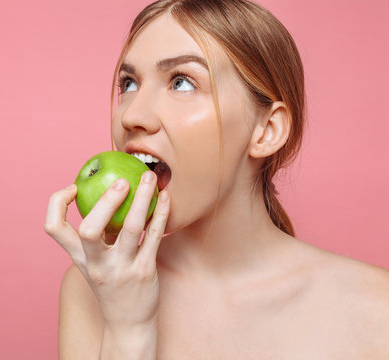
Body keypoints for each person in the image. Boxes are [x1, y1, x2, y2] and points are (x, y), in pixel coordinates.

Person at [44, 0, 389, 358]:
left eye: (181, 82)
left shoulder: (376, 311)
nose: (132, 114)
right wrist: (128, 328)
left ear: (266, 130)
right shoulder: (95, 289)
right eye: (128, 83)